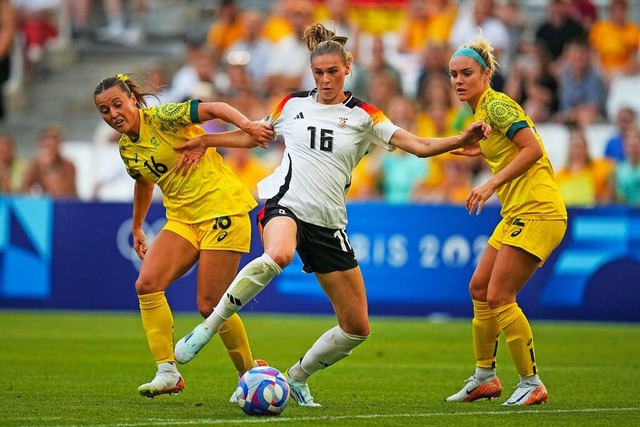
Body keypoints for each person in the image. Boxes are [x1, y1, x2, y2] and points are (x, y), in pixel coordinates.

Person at [171, 22, 490, 407]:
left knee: (357, 328)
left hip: (328, 223)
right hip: (284, 203)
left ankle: (297, 378)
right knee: (280, 254)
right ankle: (207, 328)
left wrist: (461, 138)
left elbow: (419, 145)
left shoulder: (365, 116)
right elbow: (255, 135)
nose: (324, 80)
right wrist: (207, 139)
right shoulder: (291, 105)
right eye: (318, 73)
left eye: (332, 72)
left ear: (347, 68)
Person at [92, 73, 274, 398]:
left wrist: (247, 125)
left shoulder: (162, 119)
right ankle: (167, 372)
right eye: (105, 111)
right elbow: (144, 182)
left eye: (117, 104)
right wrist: (137, 225)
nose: (113, 114)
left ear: (133, 100)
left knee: (209, 305)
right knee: (146, 285)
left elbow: (214, 107)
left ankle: (250, 373)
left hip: (222, 208)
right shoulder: (125, 148)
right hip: (183, 218)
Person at [445, 35, 567, 406]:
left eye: (466, 73)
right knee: (480, 288)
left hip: (538, 208)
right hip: (518, 210)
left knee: (499, 294)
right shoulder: (481, 113)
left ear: (485, 75)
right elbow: (508, 146)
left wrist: (490, 183)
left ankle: (531, 382)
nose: (458, 81)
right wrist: (479, 148)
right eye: (453, 74)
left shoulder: (496, 106)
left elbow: (533, 149)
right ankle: (485, 377)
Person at [21, 123, 78, 198]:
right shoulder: (34, 164)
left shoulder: (69, 166)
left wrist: (46, 168)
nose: (51, 142)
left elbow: (62, 194)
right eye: (47, 138)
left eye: (54, 138)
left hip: (64, 206)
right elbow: (23, 191)